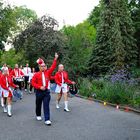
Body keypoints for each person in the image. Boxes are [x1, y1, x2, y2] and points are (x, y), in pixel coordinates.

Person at [32, 53, 59, 125]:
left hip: (46, 92)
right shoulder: (36, 74)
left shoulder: (48, 72)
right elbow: (33, 83)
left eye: (44, 66)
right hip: (39, 92)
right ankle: (38, 114)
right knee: (38, 104)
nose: (43, 67)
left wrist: (55, 59)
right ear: (39, 67)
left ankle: (47, 119)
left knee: (46, 105)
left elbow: (53, 67)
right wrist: (39, 87)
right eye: (42, 66)